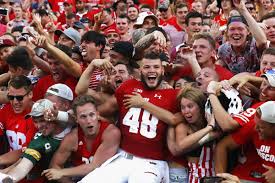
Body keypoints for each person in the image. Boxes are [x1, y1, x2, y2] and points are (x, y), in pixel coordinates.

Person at [78, 52, 180, 183]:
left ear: (162, 70)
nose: (151, 70)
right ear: (140, 71)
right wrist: (92, 65)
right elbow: (82, 92)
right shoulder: (129, 86)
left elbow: (174, 119)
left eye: (156, 67)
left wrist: (143, 103)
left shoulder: (173, 95)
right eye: (147, 67)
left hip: (151, 162)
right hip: (123, 158)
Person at [41, 95, 121, 181]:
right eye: (83, 116)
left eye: (92, 115)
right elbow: (54, 165)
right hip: (80, 178)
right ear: (76, 119)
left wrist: (62, 172)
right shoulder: (72, 138)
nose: (89, 121)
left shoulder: (111, 133)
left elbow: (95, 166)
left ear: (98, 114)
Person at [0, 97, 72, 183]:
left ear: (53, 116)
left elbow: (75, 116)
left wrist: (58, 115)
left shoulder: (72, 124)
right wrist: (9, 178)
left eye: (42, 120)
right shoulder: (38, 142)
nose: (38, 126)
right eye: (35, 121)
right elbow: (23, 167)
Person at [215, 101, 275, 183]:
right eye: (255, 123)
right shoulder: (254, 125)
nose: (255, 128)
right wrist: (220, 178)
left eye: (261, 127)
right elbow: (222, 146)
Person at [0, 75, 36, 167]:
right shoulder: (6, 110)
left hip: (29, 170)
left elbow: (24, 152)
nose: (15, 102)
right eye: (11, 97)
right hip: (7, 165)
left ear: (30, 94)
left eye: (19, 98)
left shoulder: (37, 116)